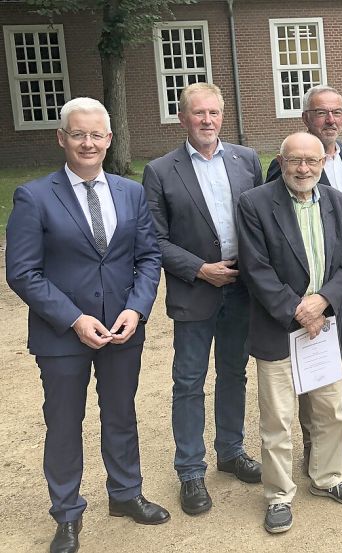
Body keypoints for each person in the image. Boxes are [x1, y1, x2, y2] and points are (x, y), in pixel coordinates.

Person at [6, 97, 168, 553]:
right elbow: (22, 272)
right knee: (63, 422)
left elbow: (148, 257)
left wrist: (136, 309)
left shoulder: (130, 192)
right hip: (63, 335)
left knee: (121, 414)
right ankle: (67, 514)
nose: (88, 143)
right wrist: (74, 319)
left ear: (110, 139)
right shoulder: (34, 196)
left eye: (97, 134)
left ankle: (125, 494)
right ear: (62, 138)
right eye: (78, 134)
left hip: (121, 329)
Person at [237, 132, 342, 533]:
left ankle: (327, 478)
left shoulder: (339, 203)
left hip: (325, 325)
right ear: (281, 161)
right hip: (280, 328)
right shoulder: (255, 203)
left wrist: (323, 301)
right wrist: (298, 308)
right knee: (278, 418)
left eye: (311, 161)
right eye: (295, 161)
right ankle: (278, 494)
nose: (303, 168)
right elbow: (255, 268)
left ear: (323, 163)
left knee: (330, 410)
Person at [143, 83, 263, 516]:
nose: (207, 121)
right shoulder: (160, 170)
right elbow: (154, 239)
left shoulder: (246, 160)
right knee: (189, 382)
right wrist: (199, 269)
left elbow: (264, 218)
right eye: (199, 114)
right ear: (183, 118)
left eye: (214, 113)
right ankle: (191, 471)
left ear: (222, 116)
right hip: (195, 291)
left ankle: (231, 452)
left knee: (234, 373)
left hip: (241, 289)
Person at [266, 85, 342, 463]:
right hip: (305, 288)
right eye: (320, 112)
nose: (329, 119)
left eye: (336, 112)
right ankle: (311, 439)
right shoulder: (285, 164)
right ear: (306, 118)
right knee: (308, 360)